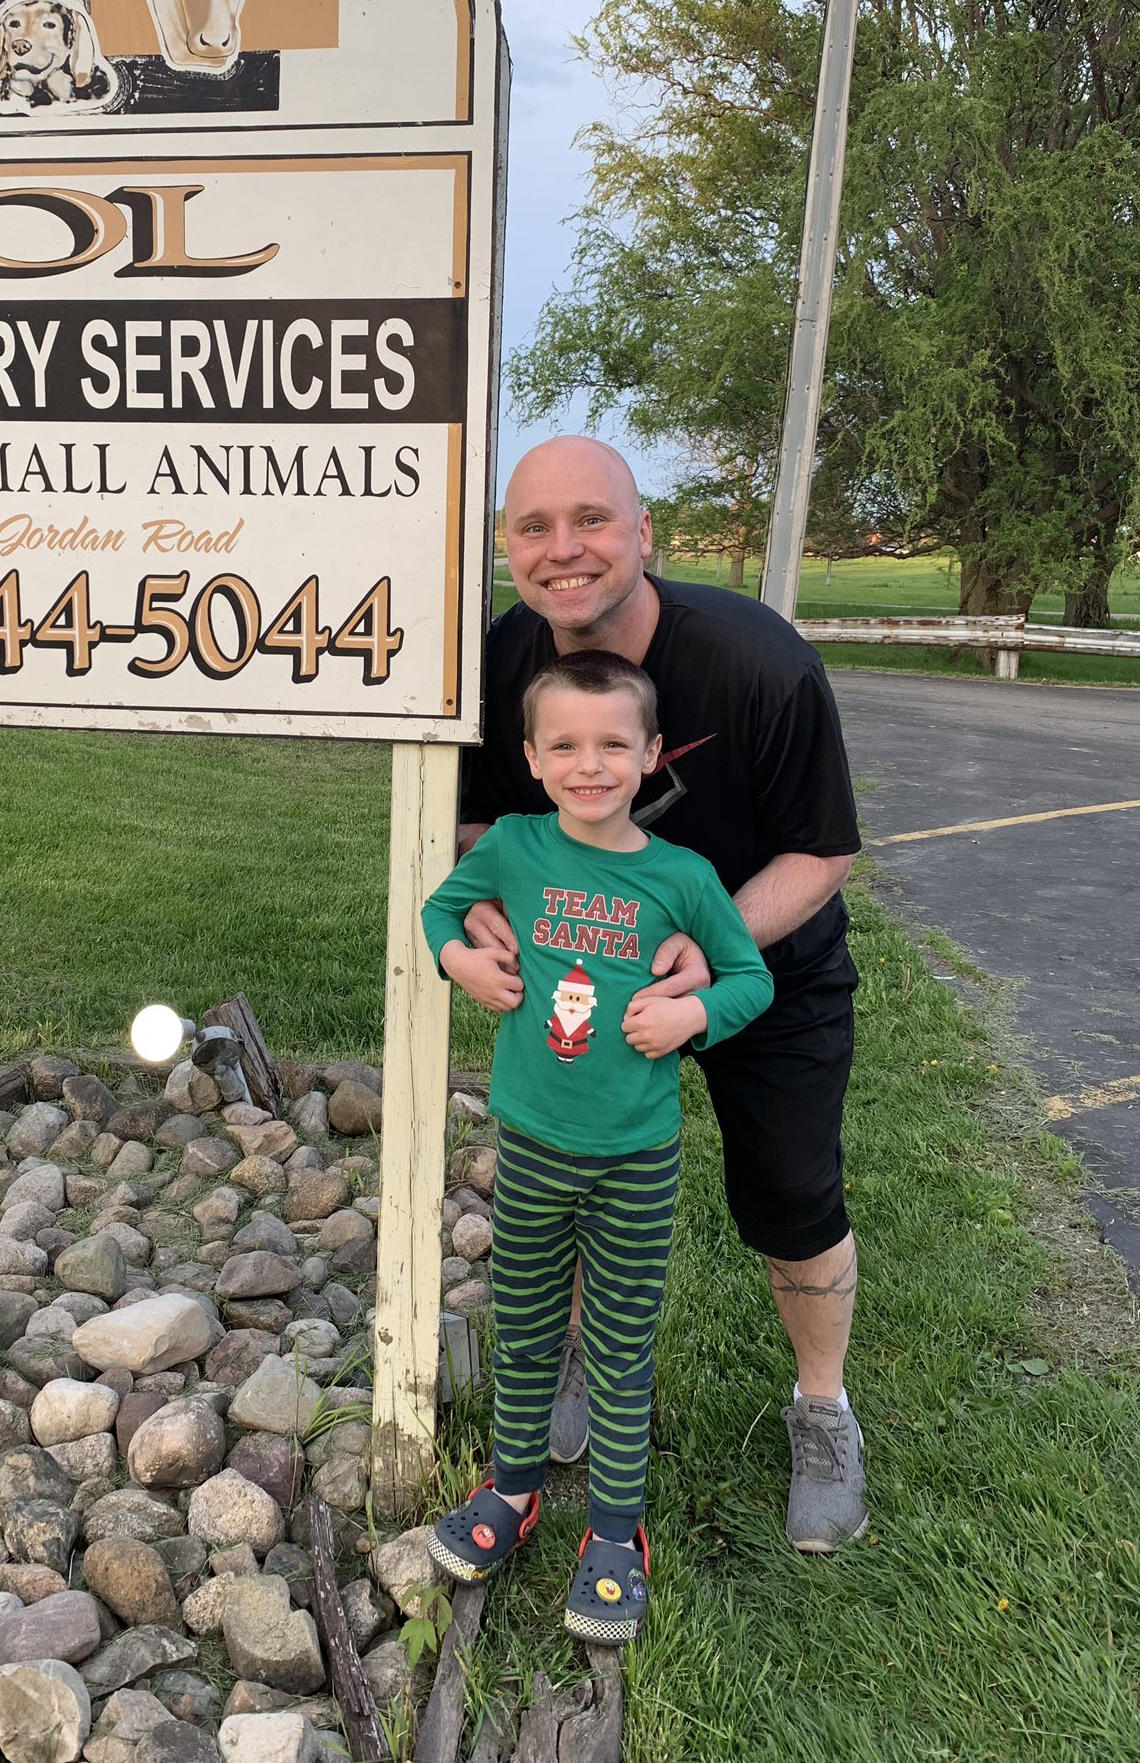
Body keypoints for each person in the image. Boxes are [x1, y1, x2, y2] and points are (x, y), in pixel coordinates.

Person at [462, 437, 866, 1555]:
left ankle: (823, 1409)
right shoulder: (501, 661)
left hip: (760, 963)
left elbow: (824, 850)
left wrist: (710, 938)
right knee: (580, 1166)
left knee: (791, 1191)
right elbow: (481, 820)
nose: (564, 549)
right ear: (507, 545)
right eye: (534, 527)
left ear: (644, 533)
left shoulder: (757, 663)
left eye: (591, 519)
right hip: (591, 972)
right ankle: (579, 1372)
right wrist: (489, 912)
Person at [422, 650, 773, 1642]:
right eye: (565, 744)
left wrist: (694, 1013)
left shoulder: (683, 876)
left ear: (651, 753)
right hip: (531, 1142)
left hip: (634, 1157)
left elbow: (751, 978)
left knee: (619, 1347)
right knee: (526, 1327)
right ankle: (513, 1491)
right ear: (531, 757)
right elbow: (441, 907)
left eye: (614, 743)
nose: (590, 763)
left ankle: (616, 1533)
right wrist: (461, 959)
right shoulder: (518, 847)